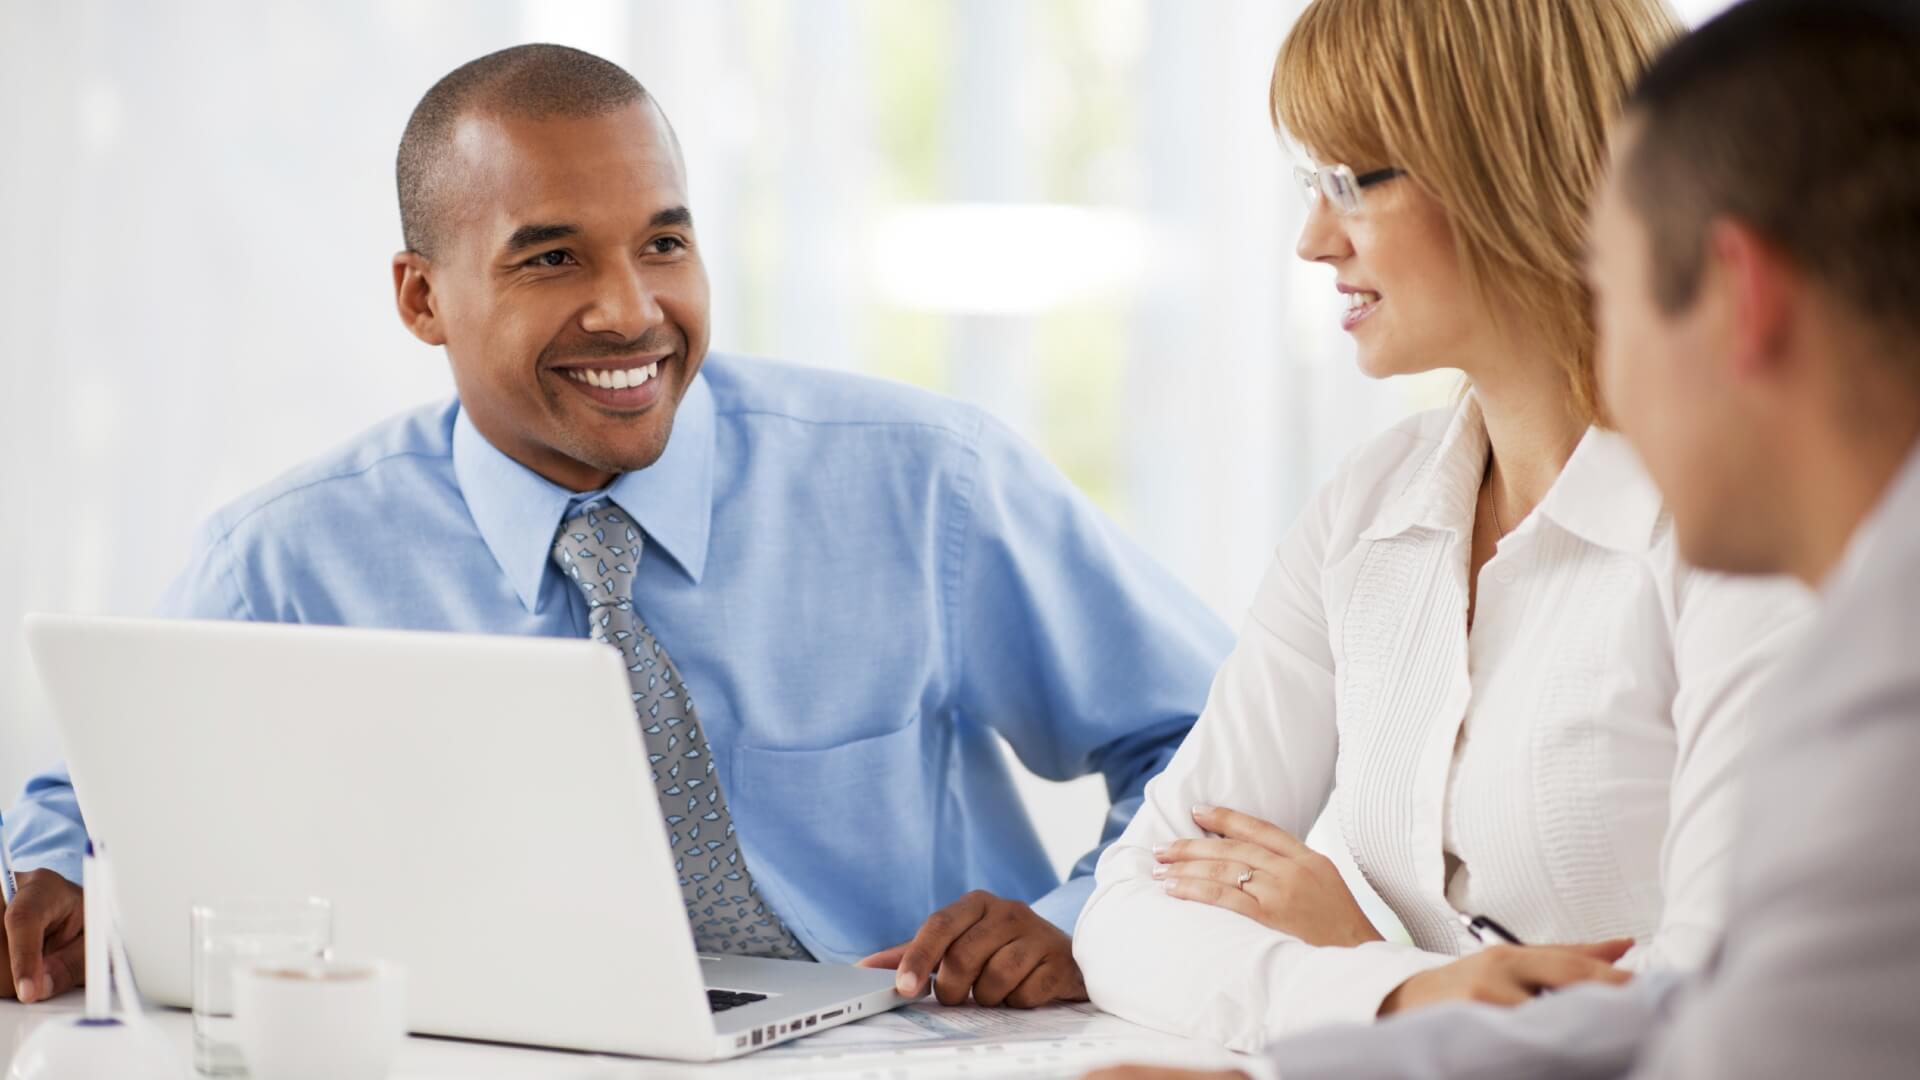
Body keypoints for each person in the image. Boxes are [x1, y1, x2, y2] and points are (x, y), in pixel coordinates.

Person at [0, 44, 1233, 1008]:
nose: (631, 311)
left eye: (665, 243)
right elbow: (104, 786)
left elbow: (1214, 743)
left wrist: (1082, 923)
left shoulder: (925, 485)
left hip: (911, 1046)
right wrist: (55, 876)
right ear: (422, 297)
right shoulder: (288, 557)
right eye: (551, 260)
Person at [1090, 0, 1920, 1077]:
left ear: (1504, 172)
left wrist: (1372, 967)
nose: (1313, 238)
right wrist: (1394, 992)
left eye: (1358, 178)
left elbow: (1713, 1012)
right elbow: (1134, 905)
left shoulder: (1754, 538)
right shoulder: (1371, 503)